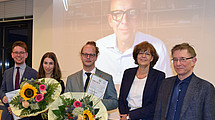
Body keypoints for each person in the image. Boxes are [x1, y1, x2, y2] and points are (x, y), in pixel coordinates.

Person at [95, 0, 172, 85]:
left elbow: (165, 87)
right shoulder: (98, 48)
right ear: (110, 20)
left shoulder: (157, 47)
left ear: (140, 17)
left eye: (131, 13)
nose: (124, 21)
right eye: (117, 14)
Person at [154, 43, 215, 120]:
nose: (178, 63)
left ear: (193, 61)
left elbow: (209, 117)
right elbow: (158, 114)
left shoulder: (205, 88)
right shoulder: (165, 84)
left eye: (183, 59)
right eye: (175, 59)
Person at [65, 41, 118, 111]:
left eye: (91, 55)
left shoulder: (106, 78)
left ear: (96, 57)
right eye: (85, 54)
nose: (88, 57)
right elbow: (65, 102)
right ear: (81, 56)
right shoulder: (71, 79)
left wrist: (95, 103)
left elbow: (114, 102)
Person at [118, 41, 165, 120]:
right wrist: (124, 115)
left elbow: (156, 104)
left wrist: (130, 116)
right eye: (140, 53)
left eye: (147, 54)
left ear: (152, 58)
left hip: (147, 118)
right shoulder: (128, 73)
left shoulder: (159, 76)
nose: (143, 56)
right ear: (136, 56)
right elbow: (122, 98)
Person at [0, 41, 37, 120]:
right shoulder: (7, 72)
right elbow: (2, 90)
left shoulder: (34, 73)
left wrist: (19, 109)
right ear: (12, 55)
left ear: (26, 55)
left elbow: (35, 97)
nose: (19, 55)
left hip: (24, 116)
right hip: (7, 115)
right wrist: (3, 97)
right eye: (16, 52)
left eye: (21, 52)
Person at [30, 52, 65, 120]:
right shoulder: (36, 83)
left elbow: (61, 104)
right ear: (42, 64)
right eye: (45, 63)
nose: (48, 66)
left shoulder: (60, 83)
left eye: (51, 63)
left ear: (55, 65)